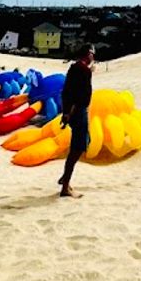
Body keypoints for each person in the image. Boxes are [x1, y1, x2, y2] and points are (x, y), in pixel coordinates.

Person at [57, 44, 95, 199]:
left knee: (84, 141)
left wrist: (66, 112)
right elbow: (79, 95)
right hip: (78, 111)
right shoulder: (83, 70)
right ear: (87, 54)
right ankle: (65, 185)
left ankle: (64, 177)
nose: (93, 56)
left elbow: (67, 92)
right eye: (92, 53)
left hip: (74, 111)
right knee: (77, 147)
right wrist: (69, 113)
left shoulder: (74, 68)